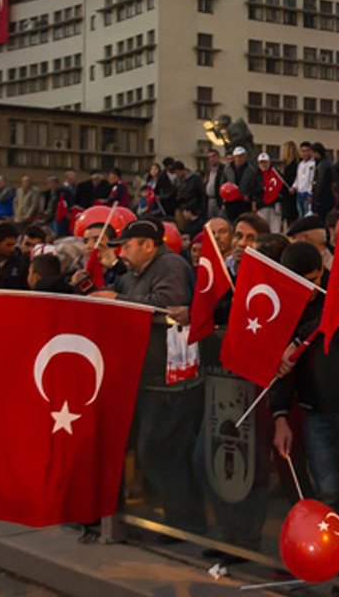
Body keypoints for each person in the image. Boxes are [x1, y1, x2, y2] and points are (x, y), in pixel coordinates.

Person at [112, 220, 205, 533]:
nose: (121, 253)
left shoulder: (170, 266)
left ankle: (186, 522)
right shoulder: (134, 275)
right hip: (145, 378)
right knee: (150, 449)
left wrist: (117, 302)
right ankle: (170, 514)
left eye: (126, 246)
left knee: (162, 450)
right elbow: (120, 293)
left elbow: (168, 304)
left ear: (147, 245)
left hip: (171, 381)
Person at [270, 242, 339, 531]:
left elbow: (334, 314)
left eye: (313, 281)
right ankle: (336, 551)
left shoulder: (338, 292)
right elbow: (283, 371)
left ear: (322, 271)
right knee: (328, 490)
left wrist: (296, 345)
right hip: (314, 410)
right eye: (300, 282)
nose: (309, 289)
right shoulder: (284, 303)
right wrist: (280, 415)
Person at [222, 147, 259, 222]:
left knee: (243, 221)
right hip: (230, 201)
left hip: (243, 202)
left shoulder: (251, 170)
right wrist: (223, 199)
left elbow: (253, 186)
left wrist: (249, 196)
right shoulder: (227, 169)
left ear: (245, 157)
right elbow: (223, 183)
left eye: (242, 156)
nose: (239, 158)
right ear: (234, 157)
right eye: (237, 156)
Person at [173, 161, 207, 237]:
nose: (177, 175)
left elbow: (202, 194)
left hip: (194, 209)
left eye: (178, 172)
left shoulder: (195, 179)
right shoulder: (178, 181)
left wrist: (201, 210)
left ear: (183, 170)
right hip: (183, 208)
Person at [253, 153, 283, 234]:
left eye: (265, 162)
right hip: (262, 205)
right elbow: (253, 190)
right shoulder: (256, 175)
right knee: (262, 228)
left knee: (275, 229)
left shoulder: (276, 173)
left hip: (274, 206)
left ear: (269, 162)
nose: (264, 164)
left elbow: (281, 187)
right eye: (261, 162)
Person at [311, 142, 339, 218]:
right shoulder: (328, 163)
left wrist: (316, 201)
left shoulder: (322, 165)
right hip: (328, 198)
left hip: (323, 199)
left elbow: (320, 183)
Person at [293, 141, 316, 218]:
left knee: (307, 215)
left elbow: (313, 180)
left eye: (307, 151)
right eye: (303, 151)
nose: (305, 153)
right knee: (300, 215)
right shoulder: (300, 164)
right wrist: (294, 187)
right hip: (300, 193)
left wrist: (311, 193)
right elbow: (298, 178)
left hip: (307, 193)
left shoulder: (313, 164)